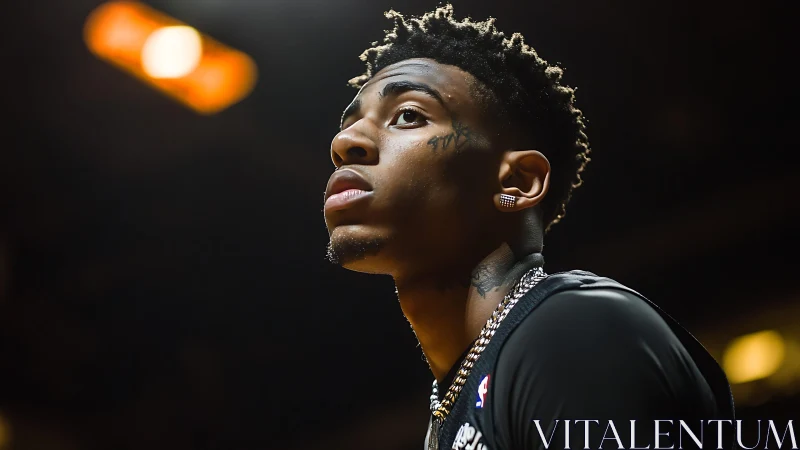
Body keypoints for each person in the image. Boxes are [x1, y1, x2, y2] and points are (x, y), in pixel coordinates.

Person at [322, 5, 734, 450]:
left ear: (516, 183)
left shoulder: (571, 330)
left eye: (408, 115)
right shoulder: (455, 399)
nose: (345, 143)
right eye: (349, 125)